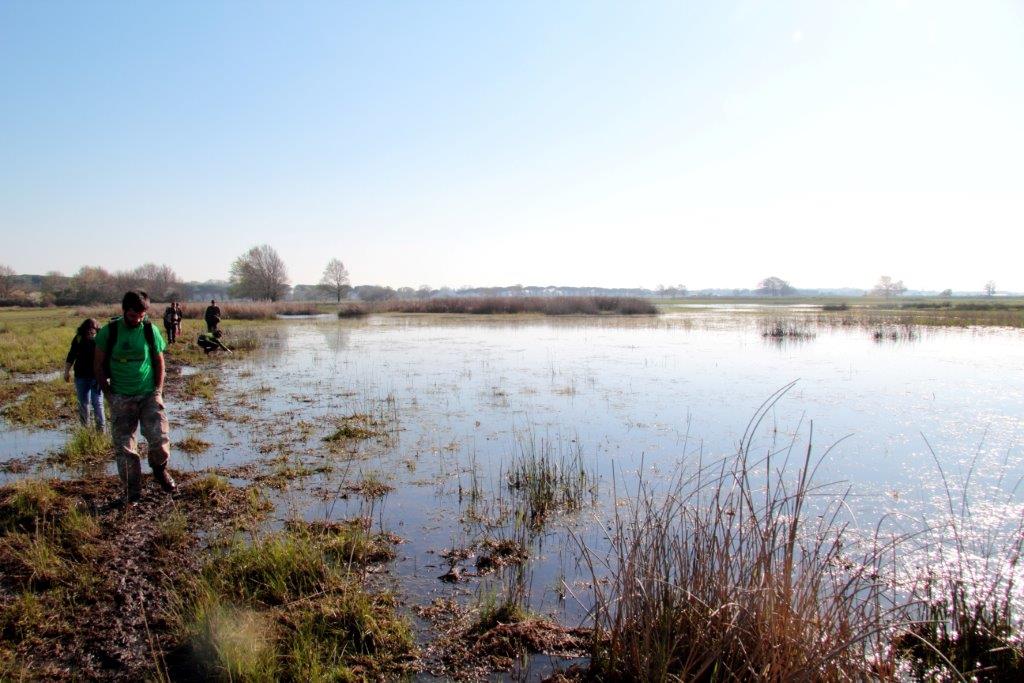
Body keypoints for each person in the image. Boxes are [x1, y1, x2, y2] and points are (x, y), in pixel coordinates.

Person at [94, 290, 176, 503]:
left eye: (141, 316)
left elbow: (160, 362)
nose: (137, 320)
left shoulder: (150, 330)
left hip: (149, 395)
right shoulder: (109, 332)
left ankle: (159, 470)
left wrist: (158, 390)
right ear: (124, 311)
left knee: (159, 438)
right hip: (121, 396)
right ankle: (133, 491)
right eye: (133, 316)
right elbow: (98, 366)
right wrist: (109, 394)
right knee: (125, 449)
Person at [64, 318, 105, 431]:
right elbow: (71, 355)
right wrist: (66, 371)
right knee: (83, 403)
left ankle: (101, 429)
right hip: (81, 376)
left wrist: (106, 376)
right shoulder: (78, 338)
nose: (90, 334)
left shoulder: (101, 339)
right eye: (88, 332)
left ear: (97, 330)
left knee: (97, 402)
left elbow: (107, 359)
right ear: (83, 330)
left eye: (93, 332)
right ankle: (85, 429)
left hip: (96, 377)